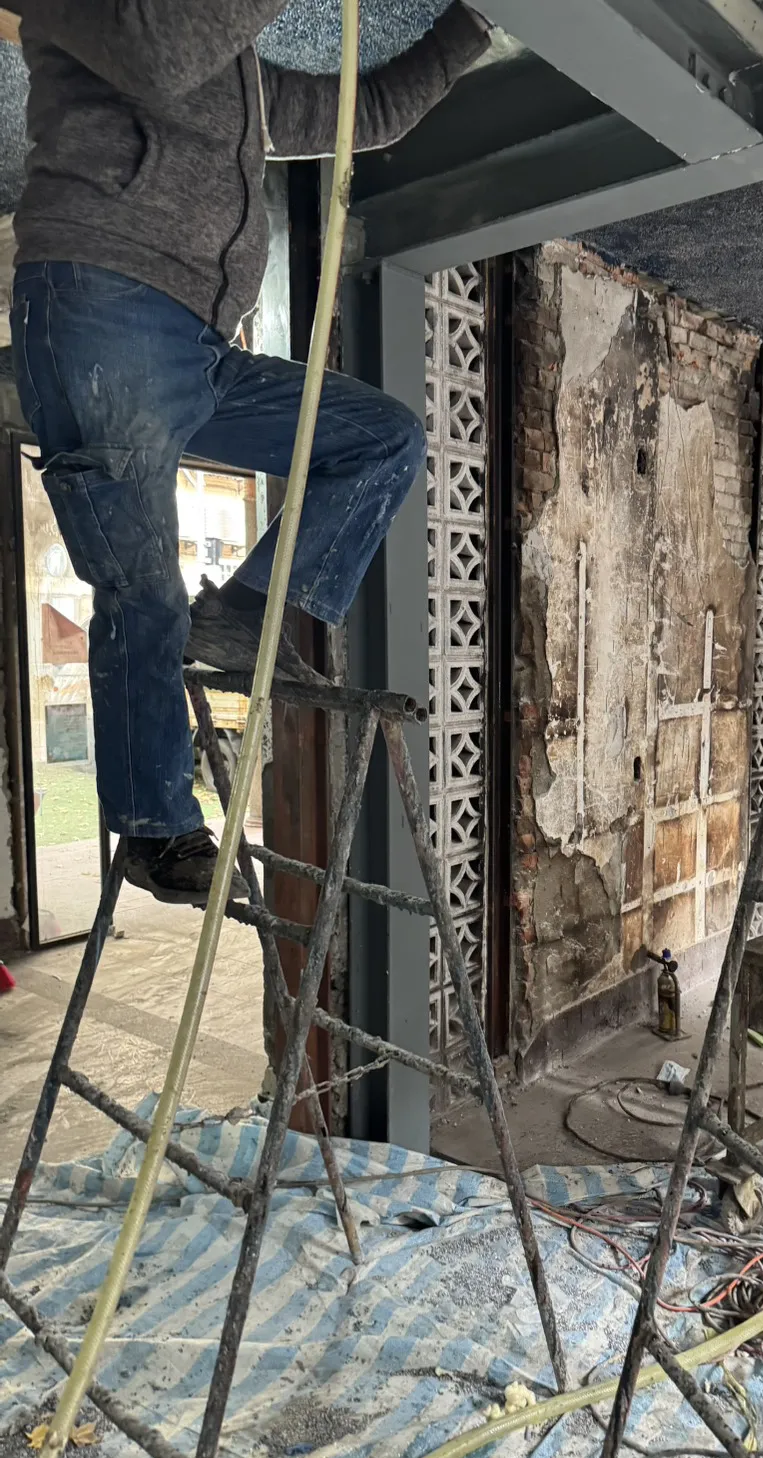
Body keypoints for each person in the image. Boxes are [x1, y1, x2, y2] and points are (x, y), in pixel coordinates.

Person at [8, 1, 490, 904]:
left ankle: (244, 608)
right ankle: (157, 828)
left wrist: (470, 28)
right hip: (101, 300)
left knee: (380, 438)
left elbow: (365, 114)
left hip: (198, 348)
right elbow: (161, 52)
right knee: (142, 590)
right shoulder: (113, 17)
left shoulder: (239, 80)